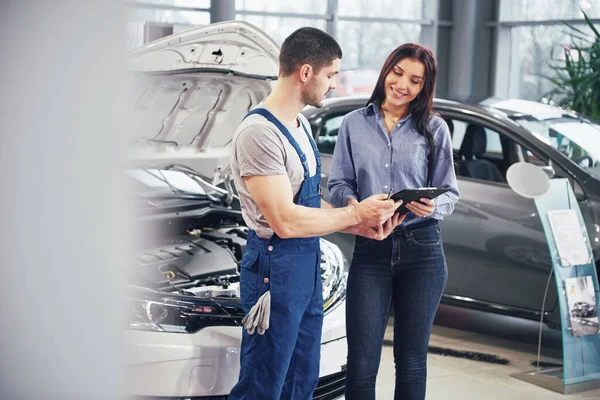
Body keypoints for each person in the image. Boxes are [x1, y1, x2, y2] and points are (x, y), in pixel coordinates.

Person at [228, 27, 404, 400]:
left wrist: (364, 225)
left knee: (302, 380)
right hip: (274, 271)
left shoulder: (302, 125)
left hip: (307, 268)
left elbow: (308, 203)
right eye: (331, 76)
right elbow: (286, 220)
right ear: (305, 73)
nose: (334, 85)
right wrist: (356, 216)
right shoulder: (259, 134)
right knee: (265, 382)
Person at [328, 43, 460, 400]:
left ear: (423, 87)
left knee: (412, 361)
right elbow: (338, 183)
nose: (402, 85)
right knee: (361, 362)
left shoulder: (435, 129)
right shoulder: (354, 124)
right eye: (398, 73)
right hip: (371, 249)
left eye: (415, 80)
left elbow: (449, 191)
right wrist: (356, 205)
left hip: (423, 252)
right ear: (387, 71)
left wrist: (432, 208)